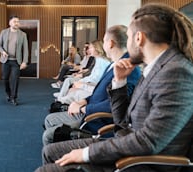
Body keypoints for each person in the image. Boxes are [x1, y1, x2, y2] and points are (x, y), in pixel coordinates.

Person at [36, 3, 193, 172]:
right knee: (50, 151)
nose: (128, 42)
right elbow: (122, 122)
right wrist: (119, 83)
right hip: (127, 147)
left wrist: (87, 153)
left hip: (140, 163)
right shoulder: (154, 67)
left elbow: (148, 141)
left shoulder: (176, 72)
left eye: (129, 36)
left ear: (138, 38)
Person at [42, 25, 141, 146]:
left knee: (49, 135)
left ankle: (60, 156)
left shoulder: (127, 68)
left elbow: (117, 105)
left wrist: (83, 108)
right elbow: (101, 94)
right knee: (51, 122)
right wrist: (83, 101)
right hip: (91, 112)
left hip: (97, 121)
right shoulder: (115, 64)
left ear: (110, 43)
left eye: (103, 41)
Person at [55, 40, 111, 104]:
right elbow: (93, 76)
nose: (89, 50)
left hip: (95, 86)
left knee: (73, 90)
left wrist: (81, 83)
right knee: (72, 88)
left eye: (91, 48)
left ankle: (60, 101)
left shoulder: (102, 61)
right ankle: (61, 100)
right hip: (92, 83)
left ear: (96, 48)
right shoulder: (98, 59)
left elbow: (96, 79)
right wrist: (81, 82)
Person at [0, 15, 28, 106]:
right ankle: (8, 93)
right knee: (5, 79)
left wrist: (24, 61)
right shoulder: (4, 32)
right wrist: (2, 52)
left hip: (16, 61)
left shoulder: (23, 34)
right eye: (15, 21)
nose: (17, 23)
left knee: (15, 80)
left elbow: (26, 49)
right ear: (10, 23)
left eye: (18, 21)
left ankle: (13, 98)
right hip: (5, 60)